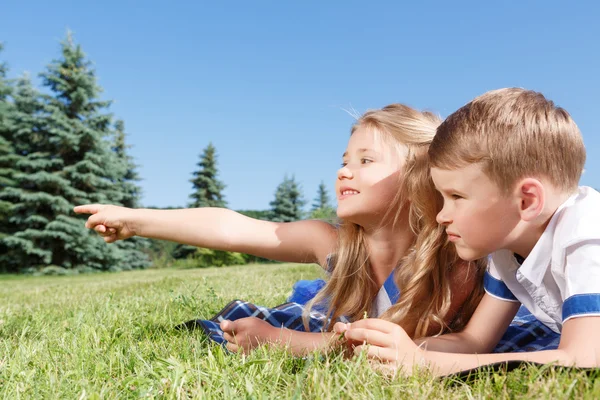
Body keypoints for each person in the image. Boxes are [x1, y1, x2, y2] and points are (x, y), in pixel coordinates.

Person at [74, 104, 484, 355]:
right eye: (344, 159)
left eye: (366, 161)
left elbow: (395, 349)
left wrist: (280, 340)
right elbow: (234, 229)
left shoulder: (448, 259)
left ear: (417, 177)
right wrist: (136, 219)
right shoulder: (335, 245)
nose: (344, 170)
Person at [334, 88, 600, 375]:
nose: (441, 215)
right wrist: (387, 348)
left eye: (456, 197)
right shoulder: (508, 248)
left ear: (527, 201)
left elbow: (584, 358)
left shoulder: (586, 234)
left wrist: (424, 365)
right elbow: (475, 340)